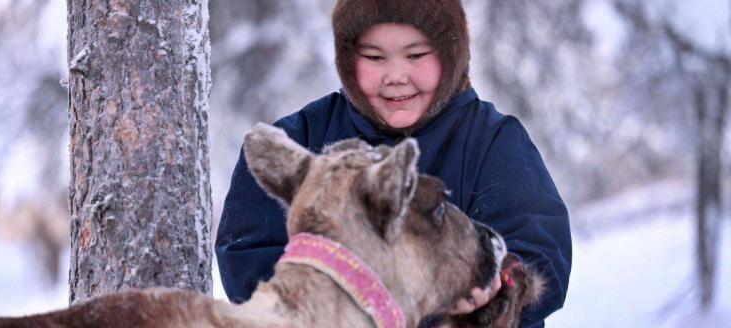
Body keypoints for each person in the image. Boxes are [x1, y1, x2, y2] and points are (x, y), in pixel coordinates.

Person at [215, 1, 571, 326]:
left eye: (415, 55)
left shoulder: (491, 140)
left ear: (449, 54)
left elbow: (540, 250)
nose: (396, 75)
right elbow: (246, 252)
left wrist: (497, 293)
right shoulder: (304, 139)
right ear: (348, 59)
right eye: (375, 58)